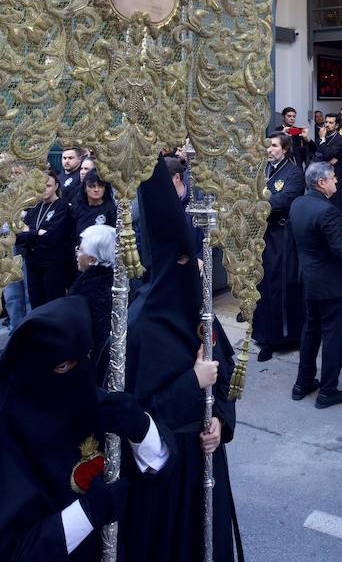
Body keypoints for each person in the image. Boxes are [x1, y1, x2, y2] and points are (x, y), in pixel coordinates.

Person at [0, 297, 169, 561]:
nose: (81, 374)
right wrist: (85, 514)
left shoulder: (98, 405)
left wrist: (142, 429)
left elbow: (157, 473)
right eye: (63, 366)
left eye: (86, 356)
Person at [120, 158, 241, 562]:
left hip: (206, 456)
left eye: (192, 262)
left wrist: (221, 422)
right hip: (169, 471)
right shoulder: (138, 328)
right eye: (182, 264)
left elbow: (227, 377)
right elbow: (135, 414)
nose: (190, 272)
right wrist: (193, 381)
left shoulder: (200, 312)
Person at [290, 161, 342, 408]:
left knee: (310, 331)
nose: (336, 182)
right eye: (333, 179)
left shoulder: (298, 204)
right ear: (321, 182)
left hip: (307, 279)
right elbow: (341, 251)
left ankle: (302, 383)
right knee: (332, 336)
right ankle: (328, 390)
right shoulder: (328, 212)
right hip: (329, 284)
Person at [253, 135, 306, 362]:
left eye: (273, 145)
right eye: (267, 145)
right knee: (262, 285)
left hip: (282, 236)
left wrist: (258, 204)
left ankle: (284, 337)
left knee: (282, 286)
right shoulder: (261, 170)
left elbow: (285, 199)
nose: (269, 149)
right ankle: (265, 336)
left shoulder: (293, 173)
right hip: (262, 235)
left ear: (284, 149)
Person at [67, 222, 116, 386]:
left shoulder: (86, 292)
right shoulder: (117, 280)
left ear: (92, 260)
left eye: (80, 250)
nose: (77, 253)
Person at [18, 170, 73, 307]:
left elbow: (51, 237)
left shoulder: (63, 207)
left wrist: (29, 232)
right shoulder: (35, 206)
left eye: (48, 185)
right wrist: (37, 233)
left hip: (53, 265)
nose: (44, 189)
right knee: (35, 302)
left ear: (56, 186)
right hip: (32, 263)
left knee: (53, 304)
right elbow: (18, 236)